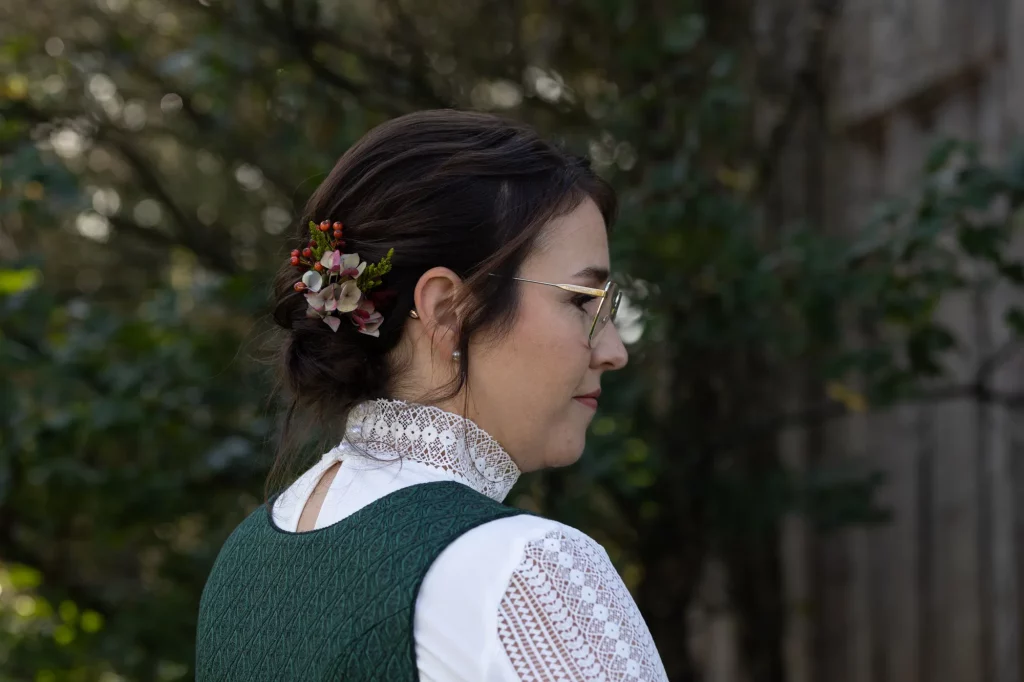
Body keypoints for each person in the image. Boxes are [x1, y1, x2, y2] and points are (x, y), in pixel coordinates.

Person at [195, 109, 668, 681]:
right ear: (448, 310)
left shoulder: (246, 563)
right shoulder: (525, 567)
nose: (613, 349)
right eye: (581, 301)